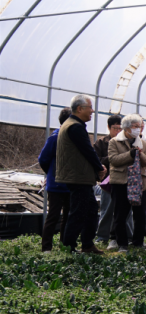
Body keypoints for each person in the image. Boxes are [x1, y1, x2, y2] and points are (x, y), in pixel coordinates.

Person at [55, 94, 106, 254]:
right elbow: (88, 150)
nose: (92, 111)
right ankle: (69, 247)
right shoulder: (75, 127)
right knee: (78, 212)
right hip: (78, 177)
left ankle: (87, 244)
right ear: (79, 109)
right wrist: (100, 168)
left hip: (79, 176)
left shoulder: (71, 124)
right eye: (90, 107)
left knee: (90, 210)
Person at [108, 114, 146, 252]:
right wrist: (130, 155)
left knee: (140, 214)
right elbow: (113, 159)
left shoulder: (143, 143)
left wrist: (140, 153)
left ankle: (138, 241)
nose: (138, 129)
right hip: (121, 182)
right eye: (135, 126)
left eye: (139, 126)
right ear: (126, 128)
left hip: (140, 183)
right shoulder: (115, 142)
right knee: (120, 214)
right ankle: (122, 243)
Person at [94, 114, 132, 249]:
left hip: (124, 179)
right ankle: (102, 236)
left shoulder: (127, 141)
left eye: (120, 128)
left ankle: (128, 236)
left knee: (125, 211)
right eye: (115, 128)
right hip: (107, 181)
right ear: (109, 127)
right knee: (107, 209)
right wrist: (113, 157)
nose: (117, 131)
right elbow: (96, 160)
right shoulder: (101, 143)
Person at [38, 107, 72, 253]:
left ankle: (65, 244)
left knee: (68, 216)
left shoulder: (75, 137)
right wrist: (52, 173)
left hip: (71, 184)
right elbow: (43, 159)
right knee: (53, 215)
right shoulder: (55, 138)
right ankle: (46, 247)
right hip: (56, 185)